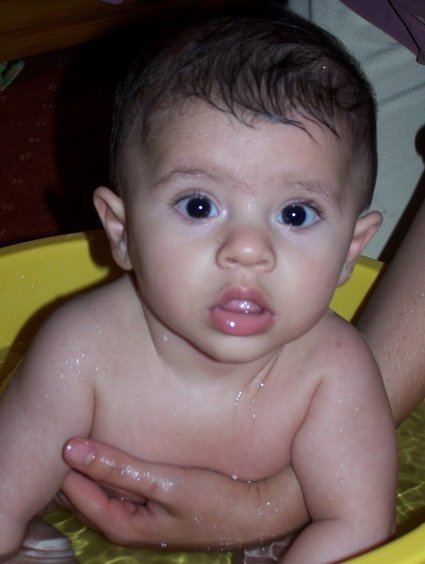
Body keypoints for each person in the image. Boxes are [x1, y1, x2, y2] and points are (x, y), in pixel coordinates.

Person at [0, 9, 397, 562]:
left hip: (270, 538)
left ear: (350, 253)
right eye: (199, 206)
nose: (248, 250)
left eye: (296, 214)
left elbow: (358, 525)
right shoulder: (80, 350)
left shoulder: (333, 373)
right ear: (121, 232)